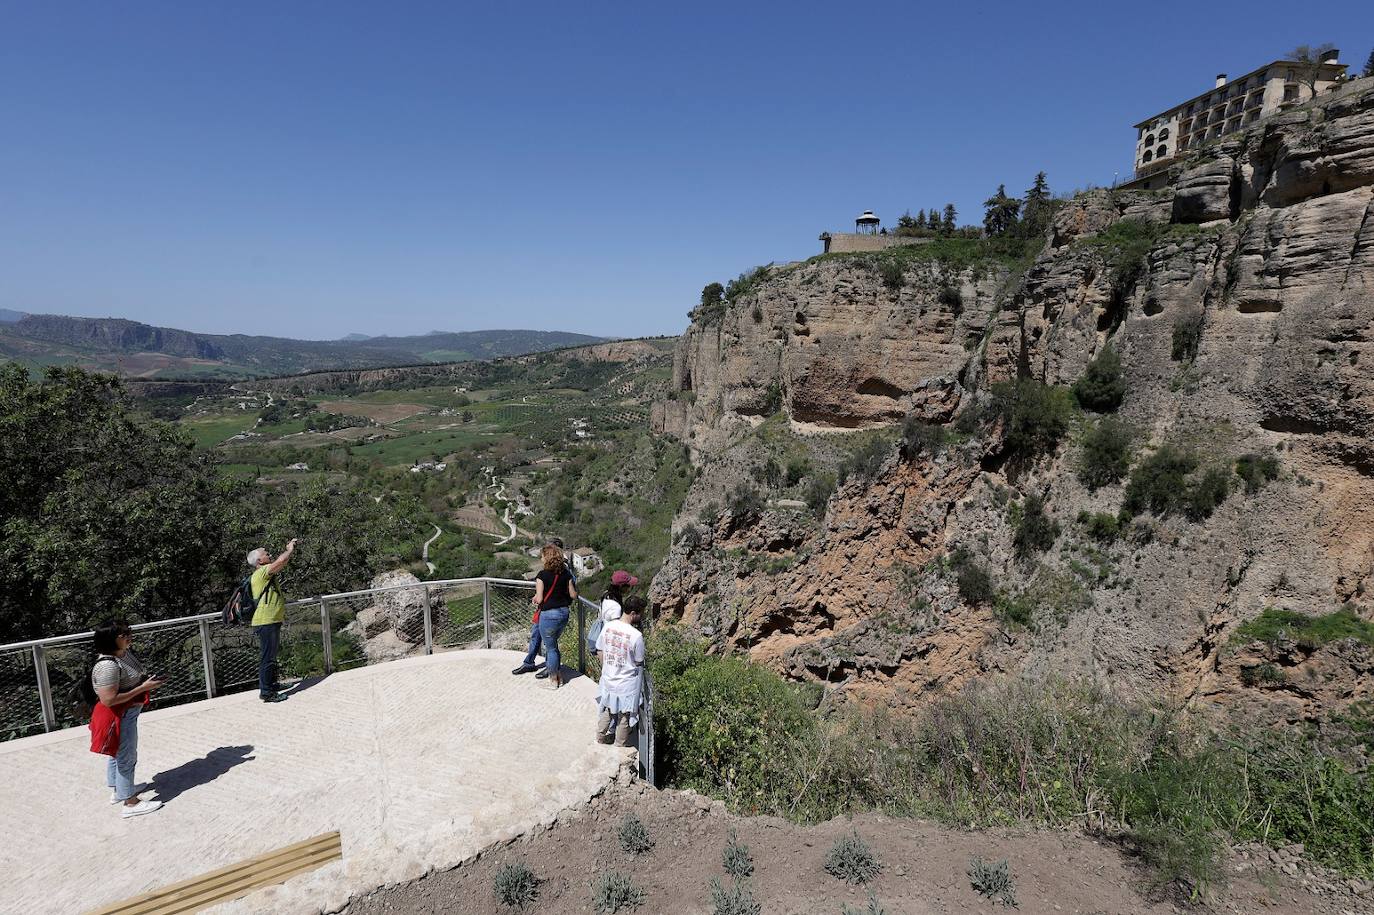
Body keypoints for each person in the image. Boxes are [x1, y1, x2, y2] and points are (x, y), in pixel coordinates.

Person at [88, 621, 164, 817]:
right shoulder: (107, 666)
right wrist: (143, 688)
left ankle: (119, 790)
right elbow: (108, 699)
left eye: (129, 632)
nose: (129, 636)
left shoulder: (123, 654)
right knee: (127, 756)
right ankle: (130, 802)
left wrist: (145, 681)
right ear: (110, 640)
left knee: (118, 752)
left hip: (127, 713)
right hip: (118, 716)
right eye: (123, 635)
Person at [513, 538, 576, 679]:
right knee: (538, 637)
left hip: (548, 611)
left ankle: (551, 671)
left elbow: (545, 594)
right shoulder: (564, 572)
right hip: (555, 610)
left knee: (550, 645)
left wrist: (539, 597)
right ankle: (530, 663)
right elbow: (573, 593)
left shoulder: (560, 570)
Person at [246, 539, 296, 703]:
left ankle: (272, 685)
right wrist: (289, 549)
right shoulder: (261, 573)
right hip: (265, 621)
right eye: (266, 554)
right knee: (267, 658)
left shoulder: (265, 573)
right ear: (259, 561)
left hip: (271, 620)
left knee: (271, 656)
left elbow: (281, 563)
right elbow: (281, 561)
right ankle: (266, 693)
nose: (269, 555)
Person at [594, 596, 646, 747]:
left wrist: (606, 668)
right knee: (624, 716)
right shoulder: (636, 635)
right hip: (626, 684)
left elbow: (599, 649)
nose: (641, 617)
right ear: (633, 613)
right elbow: (639, 660)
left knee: (607, 709)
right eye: (640, 614)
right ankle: (619, 745)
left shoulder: (608, 626)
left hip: (608, 679)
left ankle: (599, 738)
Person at [529, 543, 577, 689]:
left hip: (549, 615)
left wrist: (535, 599)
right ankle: (559, 676)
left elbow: (540, 599)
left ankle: (553, 679)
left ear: (547, 558)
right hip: (564, 613)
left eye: (542, 556)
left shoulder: (542, 576)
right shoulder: (566, 574)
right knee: (553, 646)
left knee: (551, 649)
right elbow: (573, 595)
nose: (541, 559)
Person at [589, 570, 639, 656]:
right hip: (611, 645)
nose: (629, 588)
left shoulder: (606, 595)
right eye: (628, 585)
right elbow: (616, 630)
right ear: (621, 587)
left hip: (604, 638)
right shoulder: (616, 607)